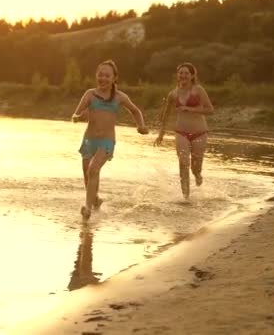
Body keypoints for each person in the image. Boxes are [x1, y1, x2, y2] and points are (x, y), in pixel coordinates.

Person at [72, 60, 149, 219]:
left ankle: (87, 208)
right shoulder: (90, 94)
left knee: (93, 170)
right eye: (100, 75)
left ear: (114, 78)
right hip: (88, 141)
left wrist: (140, 126)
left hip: (106, 142)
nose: (103, 78)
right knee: (88, 175)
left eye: (107, 75)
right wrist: (78, 117)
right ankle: (95, 201)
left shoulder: (120, 97)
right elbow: (76, 114)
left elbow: (135, 111)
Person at [154, 62, 214, 200]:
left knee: (195, 167)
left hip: (200, 133)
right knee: (183, 163)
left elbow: (210, 110)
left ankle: (198, 174)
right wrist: (161, 134)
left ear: (192, 76)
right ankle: (186, 197)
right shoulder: (173, 94)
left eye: (186, 73)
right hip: (181, 132)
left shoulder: (198, 90)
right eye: (181, 73)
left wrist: (191, 109)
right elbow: (165, 115)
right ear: (178, 75)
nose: (183, 75)